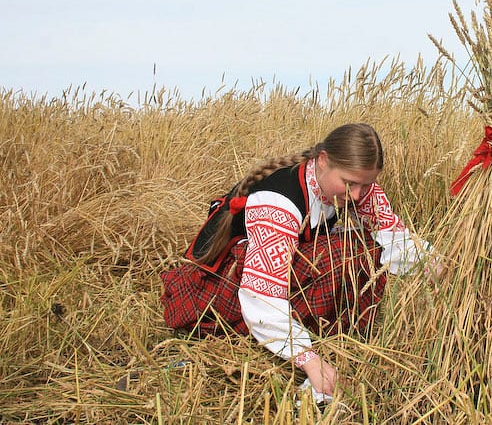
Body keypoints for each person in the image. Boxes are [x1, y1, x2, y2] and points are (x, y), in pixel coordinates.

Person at [160, 123, 432, 397]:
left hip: (269, 278)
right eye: (350, 183)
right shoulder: (278, 202)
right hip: (218, 291)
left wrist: (429, 263)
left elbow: (390, 235)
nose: (357, 195)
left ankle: (314, 326)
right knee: (340, 255)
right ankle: (288, 337)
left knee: (362, 246)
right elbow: (262, 296)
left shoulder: (351, 184)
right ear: (323, 160)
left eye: (366, 184)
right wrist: (308, 360)